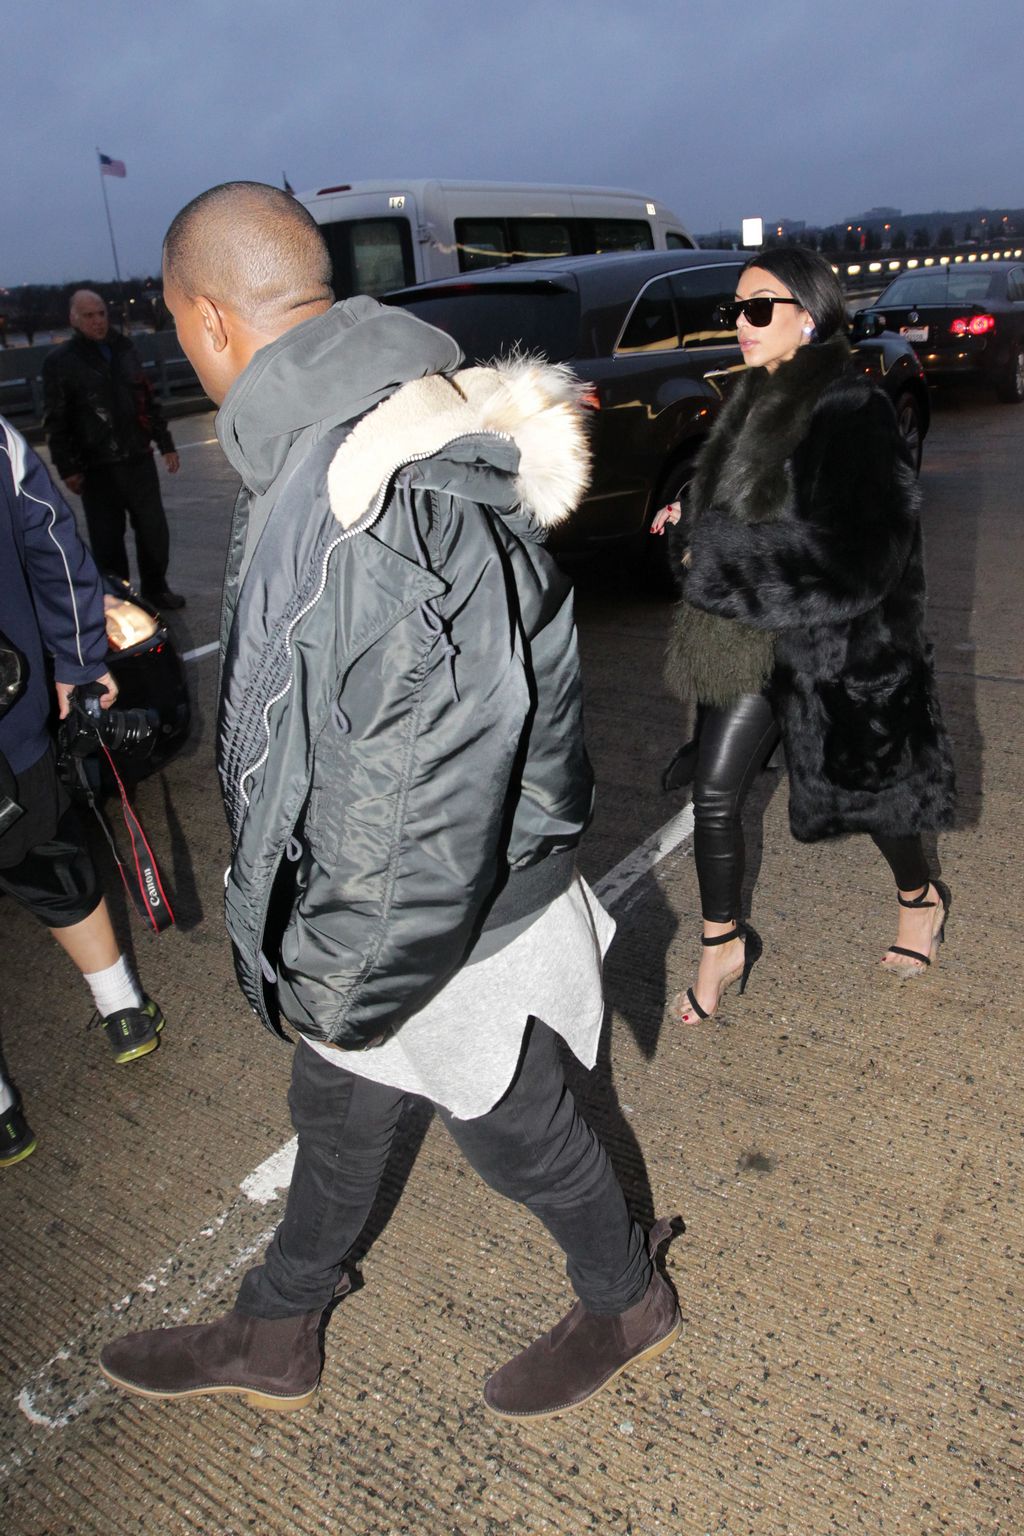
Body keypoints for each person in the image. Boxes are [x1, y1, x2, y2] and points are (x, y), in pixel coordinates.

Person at [98, 182, 680, 1420]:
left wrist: (336, 978)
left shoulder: (364, 488)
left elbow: (417, 785)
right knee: (341, 1105)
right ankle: (277, 1328)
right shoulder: (358, 434)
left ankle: (624, 1293)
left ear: (205, 319)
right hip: (410, 904)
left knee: (511, 1119)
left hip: (427, 919)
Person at [650, 246, 956, 1025]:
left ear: (809, 316)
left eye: (759, 309)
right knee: (714, 794)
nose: (740, 325)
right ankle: (722, 942)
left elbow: (863, 558)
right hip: (750, 644)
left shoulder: (855, 412)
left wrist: (719, 557)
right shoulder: (749, 403)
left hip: (836, 653)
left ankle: (918, 898)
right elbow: (742, 516)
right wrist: (689, 520)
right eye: (735, 311)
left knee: (876, 801)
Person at [0, 416, 167, 1167]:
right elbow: (53, 547)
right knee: (50, 860)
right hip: (11, 723)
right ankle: (122, 1008)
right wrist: (76, 662)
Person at [42, 290, 185, 611]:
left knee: (153, 531)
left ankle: (156, 588)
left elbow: (147, 400)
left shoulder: (125, 349)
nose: (98, 321)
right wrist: (68, 468)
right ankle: (119, 599)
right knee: (108, 540)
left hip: (138, 459)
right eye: (89, 316)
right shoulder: (61, 362)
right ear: (74, 319)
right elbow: (56, 420)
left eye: (101, 313)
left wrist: (165, 444)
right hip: (98, 467)